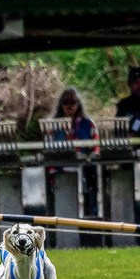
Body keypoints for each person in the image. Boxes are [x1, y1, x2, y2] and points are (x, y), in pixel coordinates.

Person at [49, 87, 101, 218]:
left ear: (78, 104)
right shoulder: (53, 125)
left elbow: (96, 147)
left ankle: (90, 216)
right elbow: (49, 148)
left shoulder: (88, 124)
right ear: (61, 105)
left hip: (83, 168)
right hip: (60, 168)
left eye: (73, 102)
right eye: (66, 102)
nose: (70, 106)